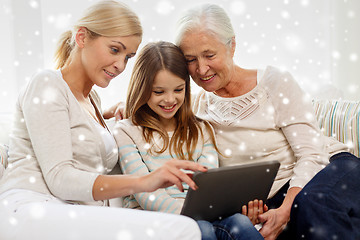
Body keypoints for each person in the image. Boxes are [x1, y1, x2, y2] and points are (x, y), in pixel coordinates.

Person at [0, 1, 207, 239]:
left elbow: (83, 142)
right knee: (183, 228)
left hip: (71, 210)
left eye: (128, 56)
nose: (120, 65)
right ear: (81, 37)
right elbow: (59, 177)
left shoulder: (93, 101)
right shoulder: (47, 84)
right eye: (114, 50)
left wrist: (114, 116)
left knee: (178, 224)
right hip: (31, 205)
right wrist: (144, 181)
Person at [174, 3, 360, 240]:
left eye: (209, 55)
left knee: (311, 205)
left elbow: (312, 154)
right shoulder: (196, 108)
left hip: (328, 169)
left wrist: (286, 210)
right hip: (278, 196)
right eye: (190, 60)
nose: (201, 68)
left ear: (232, 46)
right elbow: (156, 100)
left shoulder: (274, 83)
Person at [113, 41, 264, 240]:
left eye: (178, 90)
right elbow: (145, 193)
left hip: (202, 216)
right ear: (142, 89)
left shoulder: (201, 130)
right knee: (201, 229)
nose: (170, 100)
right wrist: (190, 216)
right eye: (159, 92)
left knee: (240, 223)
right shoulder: (127, 132)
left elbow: (207, 185)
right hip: (154, 220)